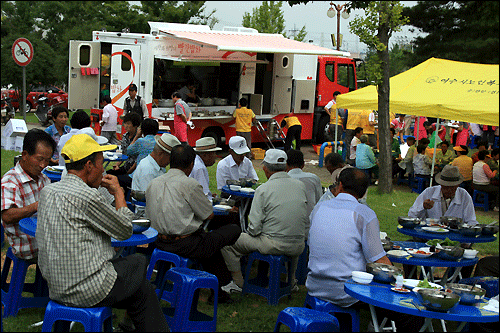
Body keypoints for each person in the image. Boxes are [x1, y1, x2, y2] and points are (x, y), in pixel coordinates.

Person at [37, 134, 168, 332]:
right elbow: (125, 230)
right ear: (89, 165)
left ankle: (128, 326)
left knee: (140, 289)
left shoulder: (49, 191)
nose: (103, 170)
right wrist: (118, 193)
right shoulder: (87, 196)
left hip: (55, 286)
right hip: (85, 289)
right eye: (101, 164)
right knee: (139, 263)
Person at [306, 168, 424, 331]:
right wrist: (401, 277)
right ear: (363, 193)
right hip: (347, 291)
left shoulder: (320, 208)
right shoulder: (364, 214)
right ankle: (377, 325)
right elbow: (380, 261)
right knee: (410, 310)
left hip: (314, 283)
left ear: (340, 186)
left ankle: (376, 324)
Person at [146, 145, 241, 304]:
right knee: (232, 229)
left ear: (170, 161)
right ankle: (222, 287)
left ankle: (220, 290)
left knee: (209, 244)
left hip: (159, 241)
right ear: (191, 165)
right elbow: (208, 214)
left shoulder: (153, 183)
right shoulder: (190, 184)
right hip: (184, 243)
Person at [221, 149, 308, 292]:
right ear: (286, 167)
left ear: (265, 169)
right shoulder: (300, 186)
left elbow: (254, 229)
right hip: (298, 244)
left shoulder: (263, 189)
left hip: (273, 244)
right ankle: (291, 281)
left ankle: (238, 283)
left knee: (227, 242)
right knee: (288, 236)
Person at [1, 129, 56, 260]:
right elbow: (7, 216)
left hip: (46, 243)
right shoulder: (11, 181)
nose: (43, 165)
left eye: (47, 160)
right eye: (40, 159)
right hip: (28, 247)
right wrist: (36, 206)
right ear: (25, 155)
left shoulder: (44, 179)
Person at [408, 165, 477, 225]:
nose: (449, 190)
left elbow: (471, 220)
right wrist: (423, 207)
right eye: (446, 187)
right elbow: (411, 215)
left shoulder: (464, 195)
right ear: (441, 184)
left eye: (452, 187)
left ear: (458, 185)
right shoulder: (429, 192)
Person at [286, 149, 323, 221]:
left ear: (286, 164)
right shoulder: (313, 178)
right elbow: (320, 202)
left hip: (289, 225)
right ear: (303, 164)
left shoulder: (282, 180)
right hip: (311, 223)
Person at [107, 112, 142, 178]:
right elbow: (124, 153)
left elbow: (138, 159)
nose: (125, 125)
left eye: (128, 123)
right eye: (125, 123)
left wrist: (127, 174)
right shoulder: (125, 136)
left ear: (135, 125)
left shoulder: (140, 138)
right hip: (126, 167)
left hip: (135, 170)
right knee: (108, 174)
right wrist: (117, 165)